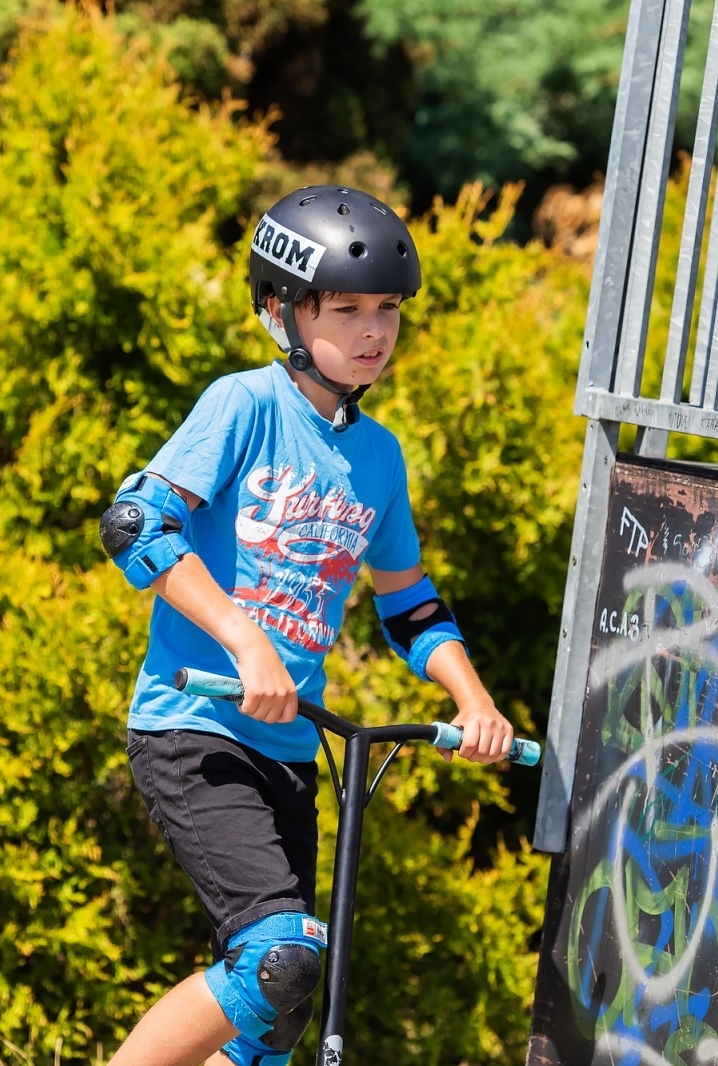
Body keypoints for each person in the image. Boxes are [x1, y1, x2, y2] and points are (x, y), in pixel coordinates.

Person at [100, 186, 514, 1066]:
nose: (375, 331)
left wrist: (474, 703)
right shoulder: (243, 405)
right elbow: (135, 524)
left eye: (390, 310)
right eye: (349, 308)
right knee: (278, 960)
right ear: (281, 310)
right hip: (196, 729)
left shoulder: (378, 455)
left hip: (292, 751)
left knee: (281, 1010)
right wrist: (245, 639)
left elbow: (412, 607)